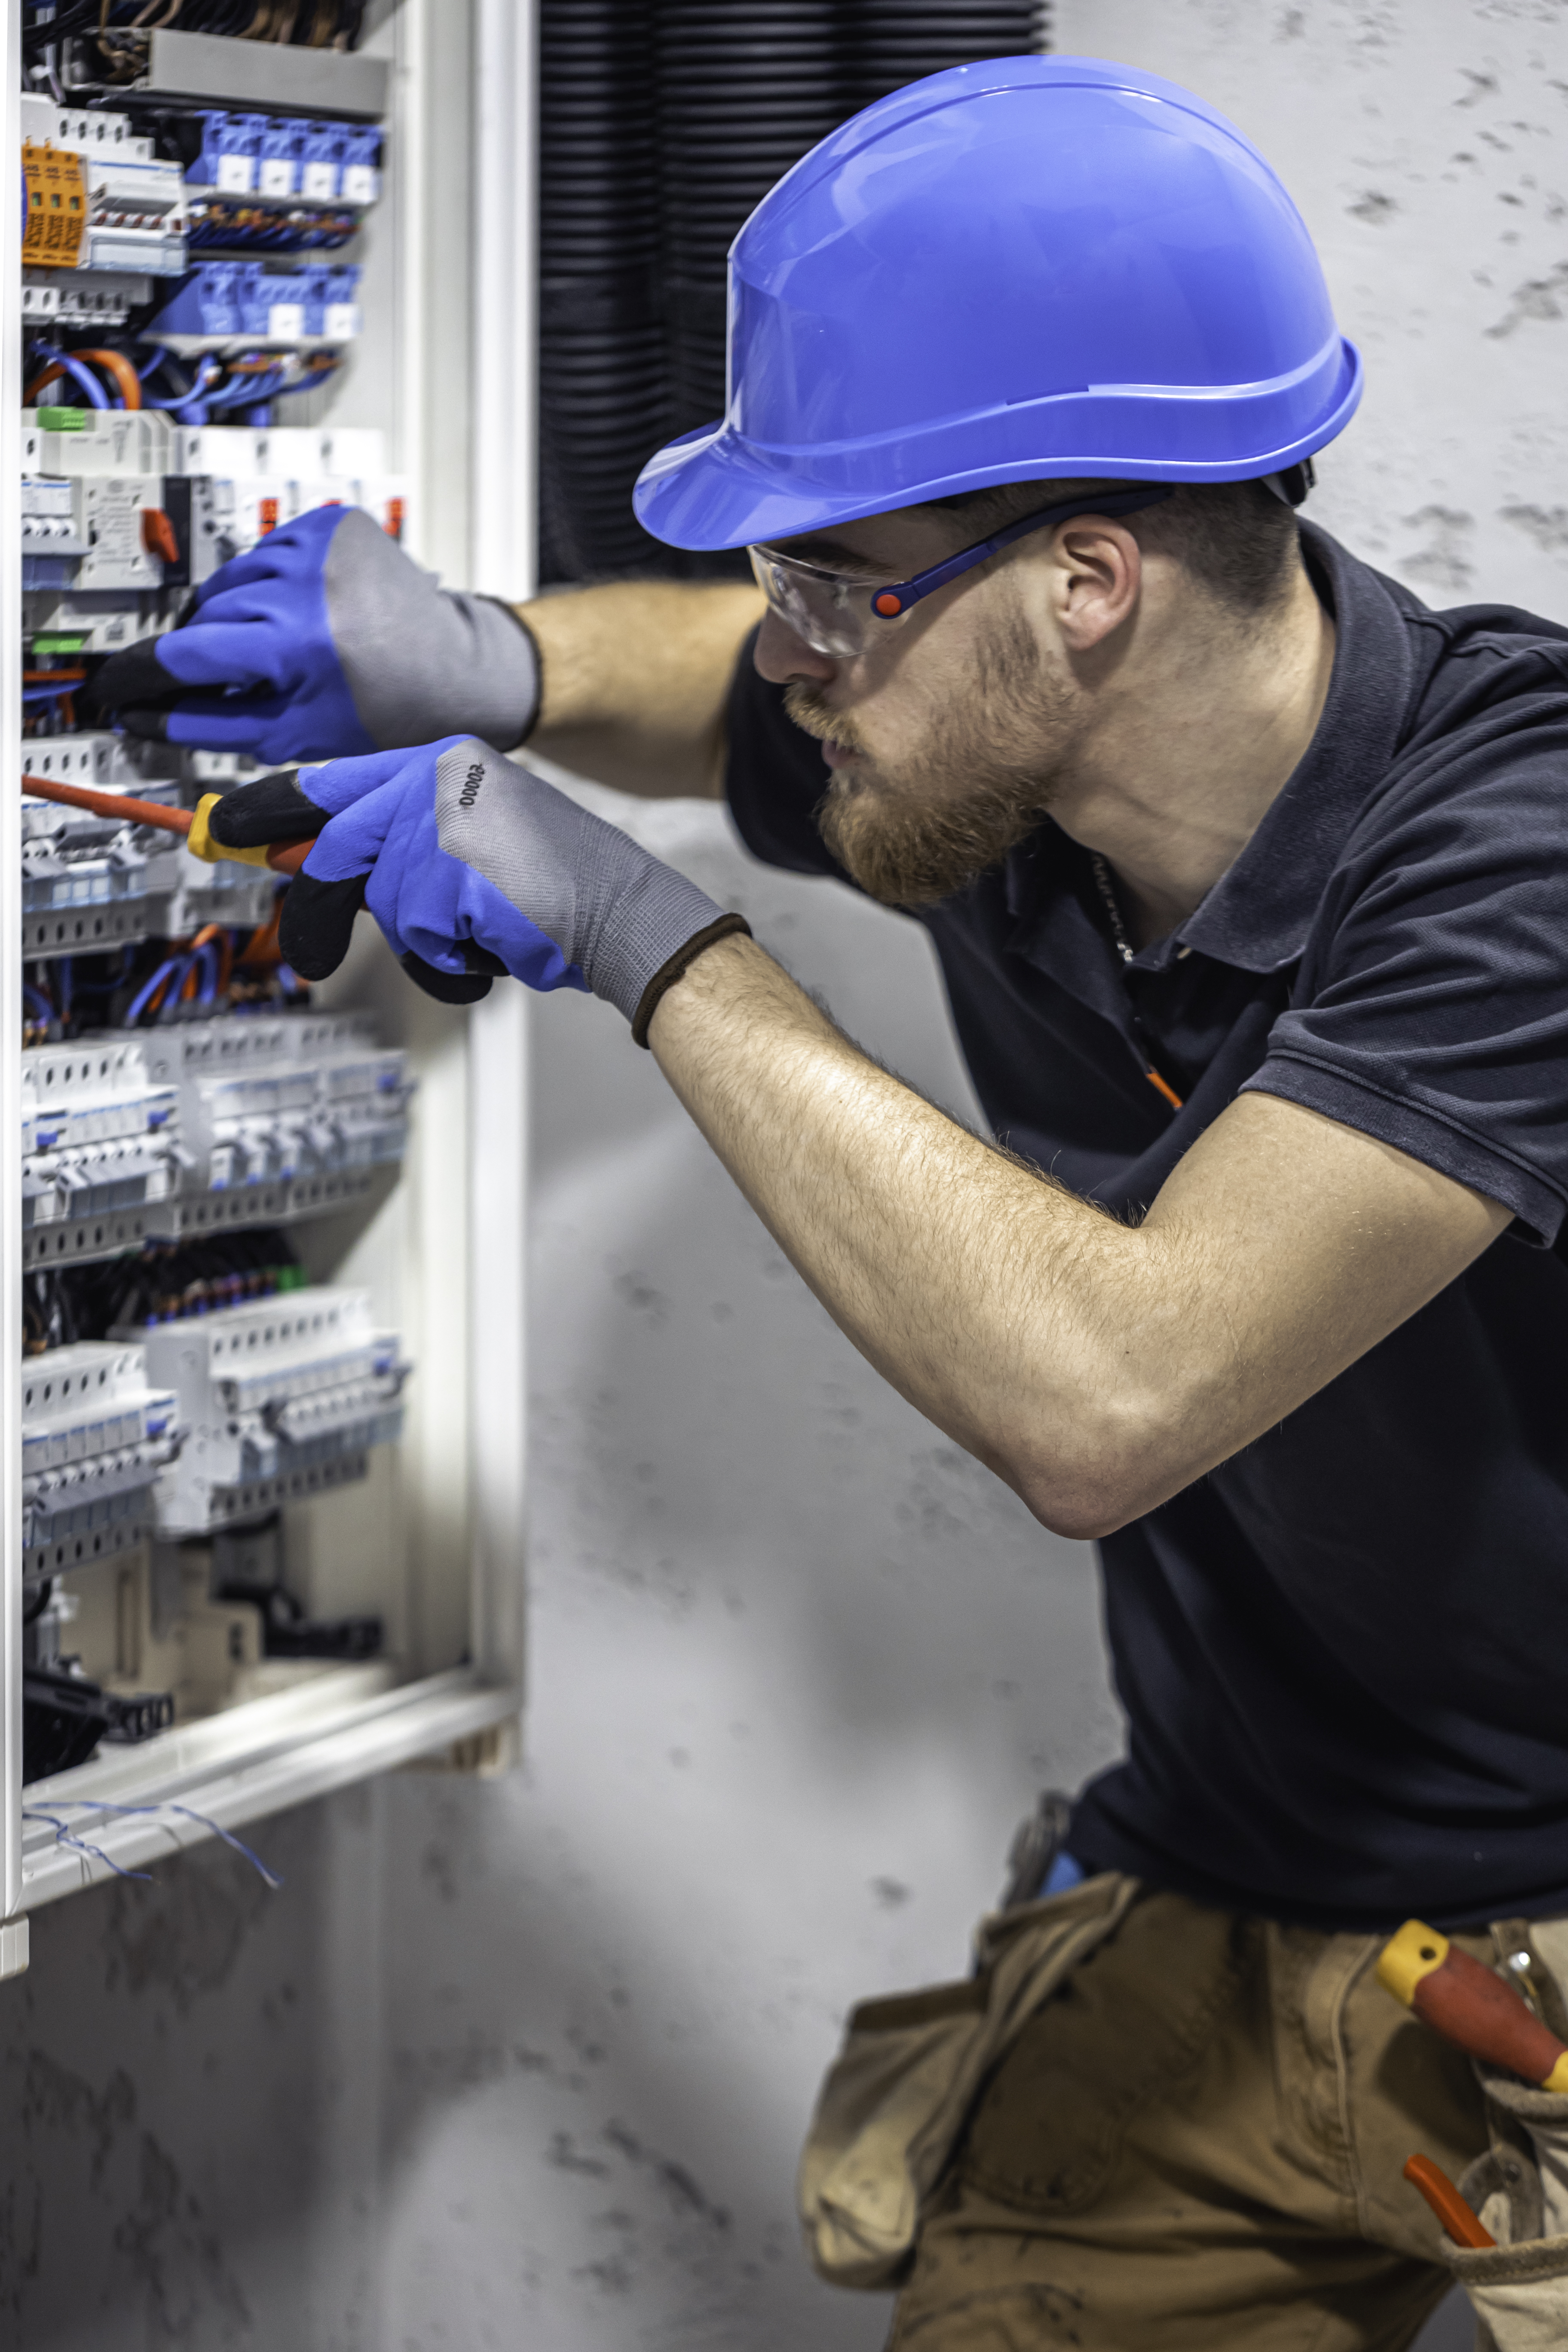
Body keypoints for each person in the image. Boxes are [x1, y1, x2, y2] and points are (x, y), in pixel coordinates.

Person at [89, 54, 1568, 2352]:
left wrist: (647, 939)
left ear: (1090, 585)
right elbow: (728, 700)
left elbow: (1113, 1395)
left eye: (833, 586)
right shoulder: (999, 752)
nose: (791, 650)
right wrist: (495, 652)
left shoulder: (1523, 848)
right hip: (1236, 1874)